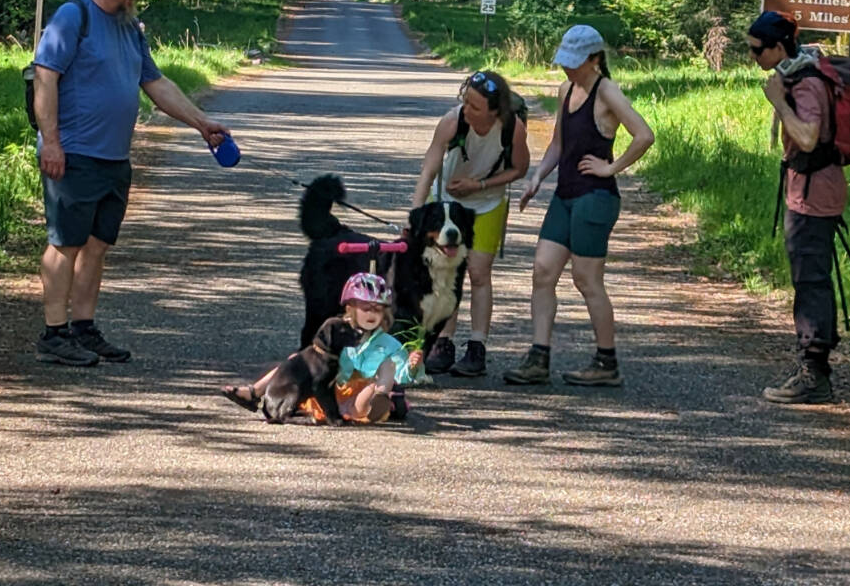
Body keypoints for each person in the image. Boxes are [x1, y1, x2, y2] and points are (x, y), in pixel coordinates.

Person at [32, 0, 230, 367]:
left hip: (114, 157)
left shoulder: (129, 28)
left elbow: (156, 84)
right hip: (74, 153)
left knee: (97, 245)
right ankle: (54, 333)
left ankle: (83, 328)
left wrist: (201, 122)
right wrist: (51, 141)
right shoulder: (73, 17)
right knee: (64, 243)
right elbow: (45, 79)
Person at [503, 25, 654, 386]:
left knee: (586, 279)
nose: (567, 69)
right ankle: (538, 357)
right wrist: (538, 175)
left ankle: (607, 363)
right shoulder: (566, 89)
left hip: (595, 198)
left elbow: (644, 135)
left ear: (595, 58)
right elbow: (559, 142)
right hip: (565, 194)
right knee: (542, 270)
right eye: (564, 62)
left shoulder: (608, 92)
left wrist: (611, 167)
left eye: (574, 62)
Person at [746, 11, 843, 403]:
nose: (752, 56)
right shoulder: (798, 74)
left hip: (815, 194)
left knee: (811, 282)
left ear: (778, 47)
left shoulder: (806, 85)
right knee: (809, 278)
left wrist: (779, 103)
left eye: (756, 50)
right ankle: (812, 367)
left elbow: (807, 137)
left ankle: (814, 375)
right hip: (808, 190)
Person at [411, 71, 530, 377]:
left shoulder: (511, 128)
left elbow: (519, 169)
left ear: (495, 111)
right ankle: (443, 342)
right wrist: (414, 215)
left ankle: (477, 346)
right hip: (450, 206)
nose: (467, 110)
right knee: (448, 272)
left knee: (478, 273)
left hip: (487, 203)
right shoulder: (453, 122)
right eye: (465, 103)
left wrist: (478, 185)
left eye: (475, 107)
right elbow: (429, 168)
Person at [222, 272, 424, 423]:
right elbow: (316, 363)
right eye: (365, 308)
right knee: (297, 360)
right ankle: (255, 392)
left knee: (384, 371)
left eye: (378, 310)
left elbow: (402, 375)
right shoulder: (337, 332)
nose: (372, 314)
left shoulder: (389, 344)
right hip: (332, 390)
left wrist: (412, 368)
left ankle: (380, 397)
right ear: (350, 309)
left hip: (362, 393)